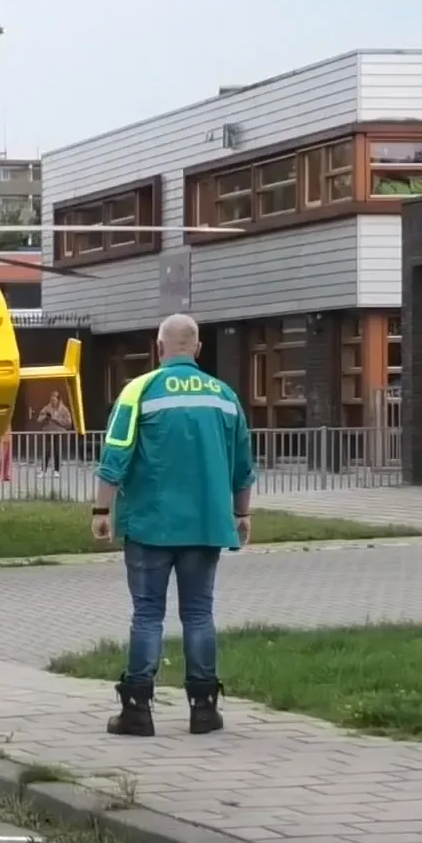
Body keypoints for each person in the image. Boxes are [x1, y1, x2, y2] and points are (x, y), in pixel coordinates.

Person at [90, 314, 256, 739]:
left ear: (158, 347)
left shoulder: (140, 390)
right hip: (206, 525)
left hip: (150, 524)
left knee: (148, 614)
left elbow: (115, 454)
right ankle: (204, 709)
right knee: (199, 614)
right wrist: (242, 515)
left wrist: (102, 510)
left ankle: (137, 710)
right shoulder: (224, 396)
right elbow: (243, 465)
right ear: (198, 349)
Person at [36, 389, 73, 476]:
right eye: (51, 400)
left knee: (57, 451)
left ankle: (56, 470)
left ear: (58, 400)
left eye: (54, 400)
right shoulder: (46, 408)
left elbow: (69, 423)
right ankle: (43, 470)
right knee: (47, 451)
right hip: (48, 432)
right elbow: (39, 420)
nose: (52, 402)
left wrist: (56, 419)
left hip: (59, 433)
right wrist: (45, 416)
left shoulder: (64, 409)